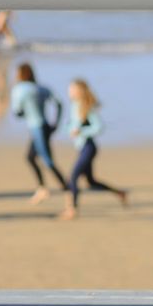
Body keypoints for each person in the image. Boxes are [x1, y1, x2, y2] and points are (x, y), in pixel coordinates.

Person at [60, 78, 128, 218]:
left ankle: (72, 209)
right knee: (91, 182)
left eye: (72, 89)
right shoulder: (74, 105)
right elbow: (72, 124)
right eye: (69, 89)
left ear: (80, 91)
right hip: (81, 147)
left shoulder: (86, 106)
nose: (69, 92)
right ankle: (120, 193)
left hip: (88, 147)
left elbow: (99, 127)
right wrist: (70, 129)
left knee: (72, 178)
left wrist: (81, 132)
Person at [11, 62, 67, 203]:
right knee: (30, 157)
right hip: (45, 126)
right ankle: (42, 188)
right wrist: (56, 123)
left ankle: (68, 188)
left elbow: (17, 112)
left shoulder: (19, 89)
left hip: (37, 128)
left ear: (20, 74)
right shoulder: (41, 88)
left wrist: (25, 111)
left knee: (47, 161)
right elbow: (59, 103)